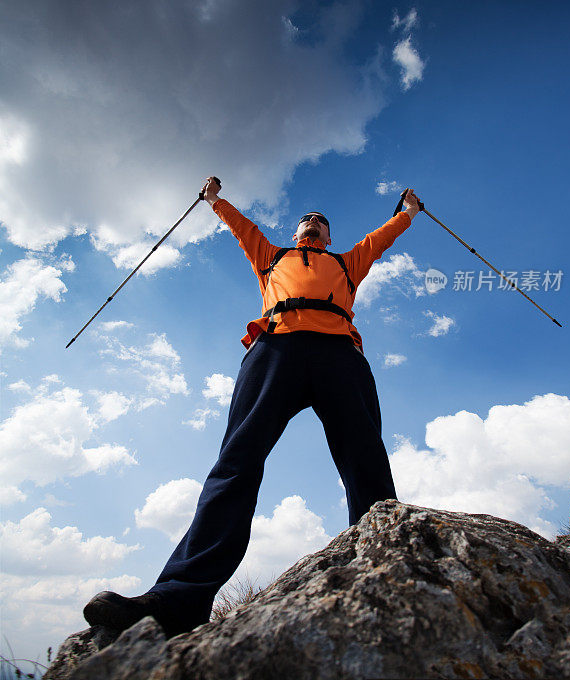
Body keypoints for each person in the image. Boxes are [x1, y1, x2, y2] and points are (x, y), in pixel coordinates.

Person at [84, 178, 422, 638]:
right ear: (297, 232)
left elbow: (380, 239)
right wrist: (215, 201)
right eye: (307, 221)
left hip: (339, 353)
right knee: (236, 462)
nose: (313, 225)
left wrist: (407, 213)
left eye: (321, 224)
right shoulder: (272, 256)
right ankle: (178, 599)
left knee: (365, 458)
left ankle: (389, 570)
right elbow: (242, 227)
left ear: (329, 237)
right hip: (275, 348)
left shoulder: (347, 262)